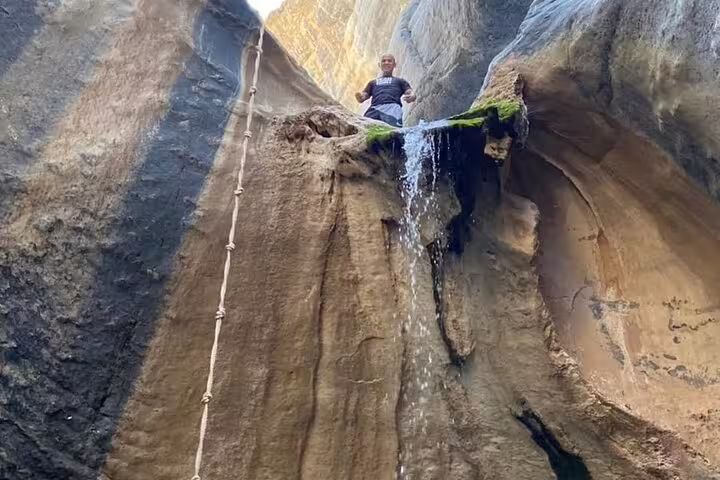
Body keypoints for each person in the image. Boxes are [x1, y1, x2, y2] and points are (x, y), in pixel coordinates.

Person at [355, 54, 416, 127]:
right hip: (374, 109)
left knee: (392, 133)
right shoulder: (372, 83)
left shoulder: (399, 81)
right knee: (365, 129)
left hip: (392, 109)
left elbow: (409, 91)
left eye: (389, 61)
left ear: (394, 65)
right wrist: (360, 97)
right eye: (383, 61)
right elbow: (364, 95)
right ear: (379, 65)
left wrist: (412, 95)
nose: (386, 62)